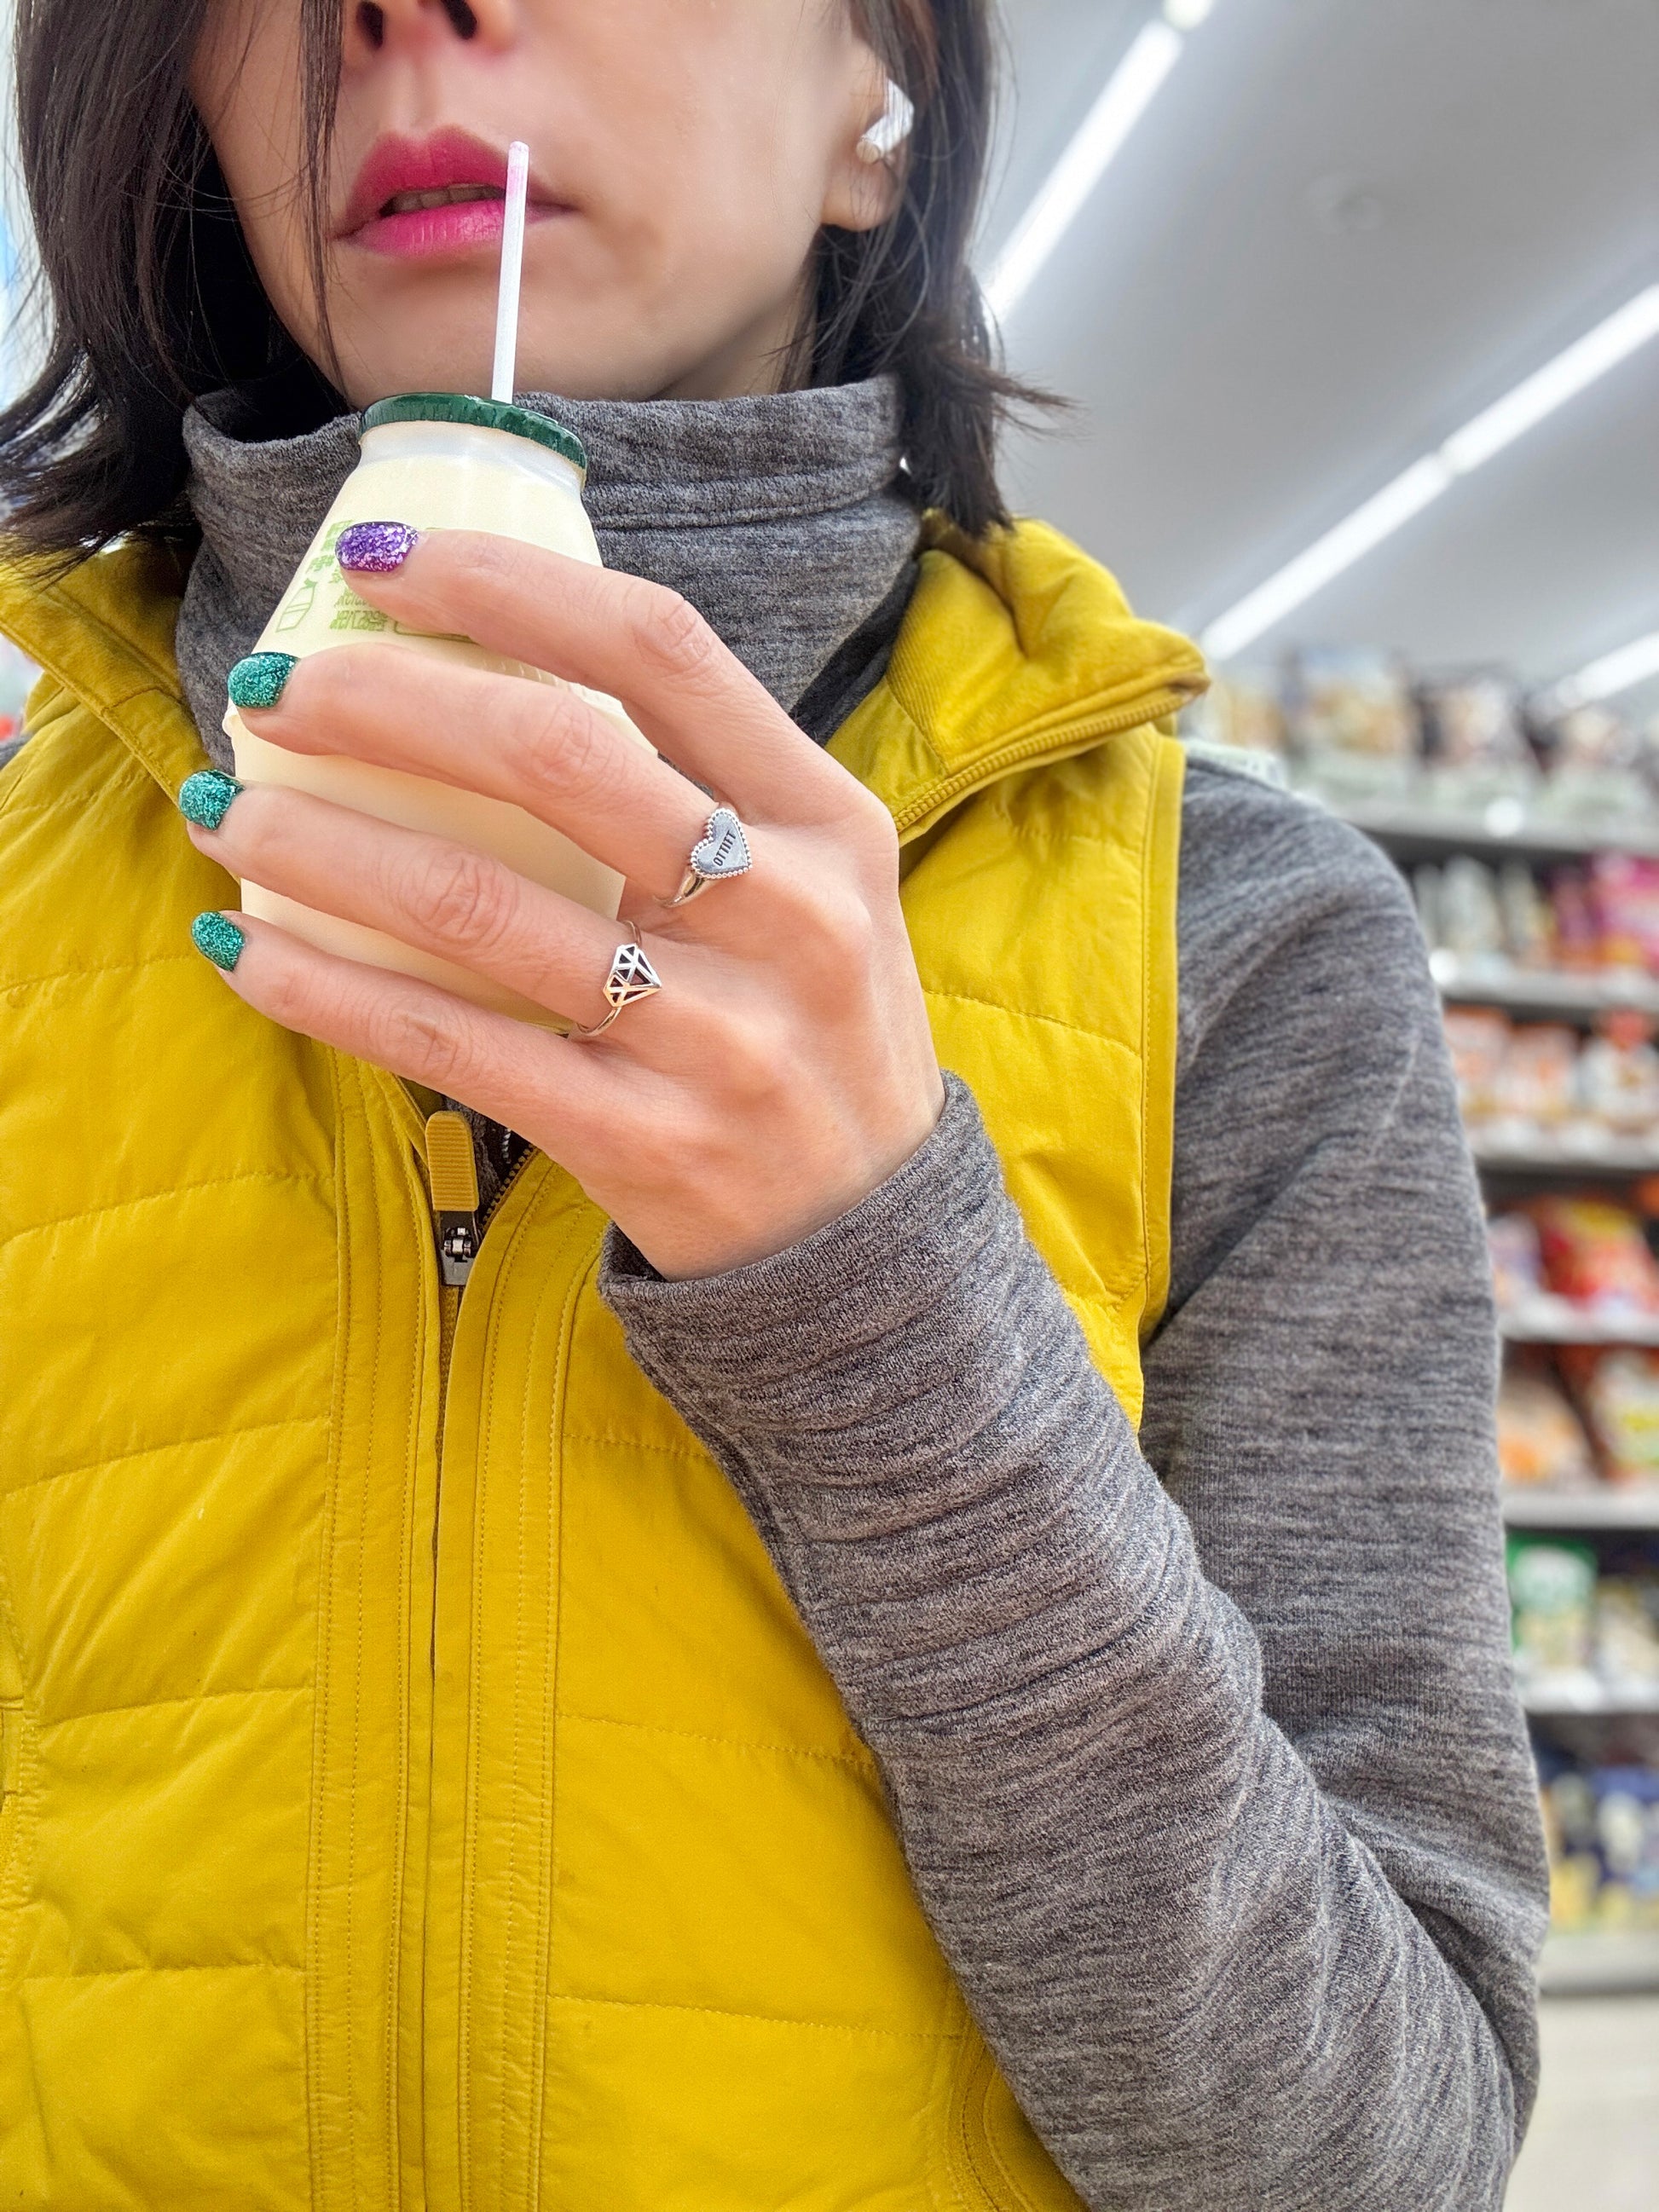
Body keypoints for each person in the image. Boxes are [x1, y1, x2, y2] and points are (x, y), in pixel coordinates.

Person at [0, 1, 1547, 2206]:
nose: (408, 7)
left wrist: (884, 1303)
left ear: (871, 111)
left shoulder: (1245, 937)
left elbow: (1374, 2160)